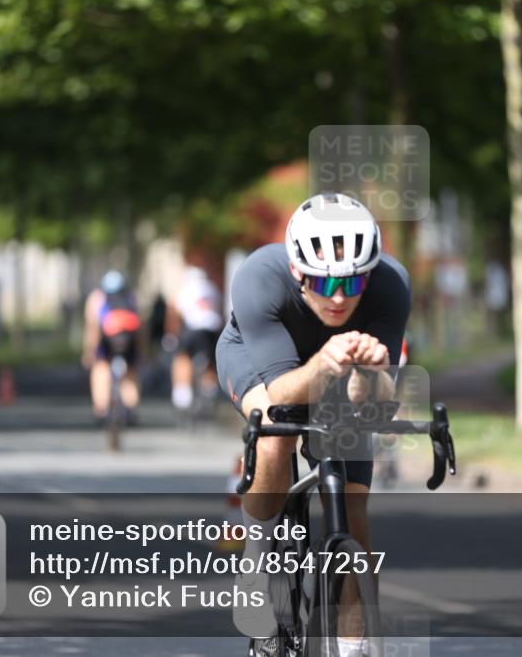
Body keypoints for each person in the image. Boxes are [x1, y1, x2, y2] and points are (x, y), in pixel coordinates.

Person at [216, 192, 409, 657]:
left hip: (336, 368)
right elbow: (283, 392)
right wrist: (323, 364)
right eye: (324, 284)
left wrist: (372, 376)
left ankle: (355, 647)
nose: (339, 298)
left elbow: (380, 399)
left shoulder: (391, 285)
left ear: (370, 273)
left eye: (353, 282)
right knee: (274, 434)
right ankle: (257, 560)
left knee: (354, 513)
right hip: (260, 363)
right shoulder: (260, 278)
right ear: (298, 271)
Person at [81, 270, 142, 422]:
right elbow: (140, 325)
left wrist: (89, 352)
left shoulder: (97, 297)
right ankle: (130, 407)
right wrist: (141, 350)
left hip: (107, 340)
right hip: (129, 340)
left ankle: (101, 408)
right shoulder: (131, 296)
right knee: (130, 373)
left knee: (100, 367)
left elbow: (93, 327)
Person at [168, 266, 224, 410]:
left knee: (182, 357)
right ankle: (210, 388)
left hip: (193, 330)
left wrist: (172, 335)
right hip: (212, 330)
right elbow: (219, 311)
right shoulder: (212, 288)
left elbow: (174, 313)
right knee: (211, 359)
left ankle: (183, 393)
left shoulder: (185, 290)